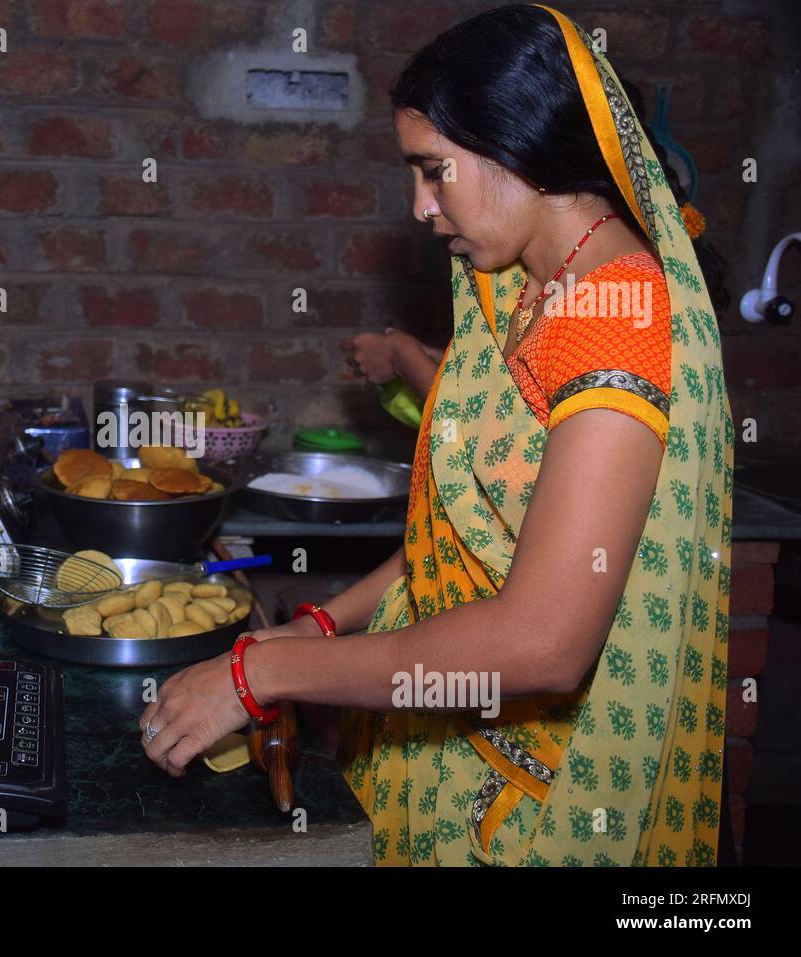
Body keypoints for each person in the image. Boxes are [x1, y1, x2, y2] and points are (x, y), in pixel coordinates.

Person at [139, 3, 733, 867]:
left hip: (543, 799)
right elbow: (449, 541)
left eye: (433, 171)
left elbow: (544, 641)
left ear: (518, 148)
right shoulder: (528, 292)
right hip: (464, 749)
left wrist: (261, 675)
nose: (420, 206)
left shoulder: (615, 311)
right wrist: (321, 627)